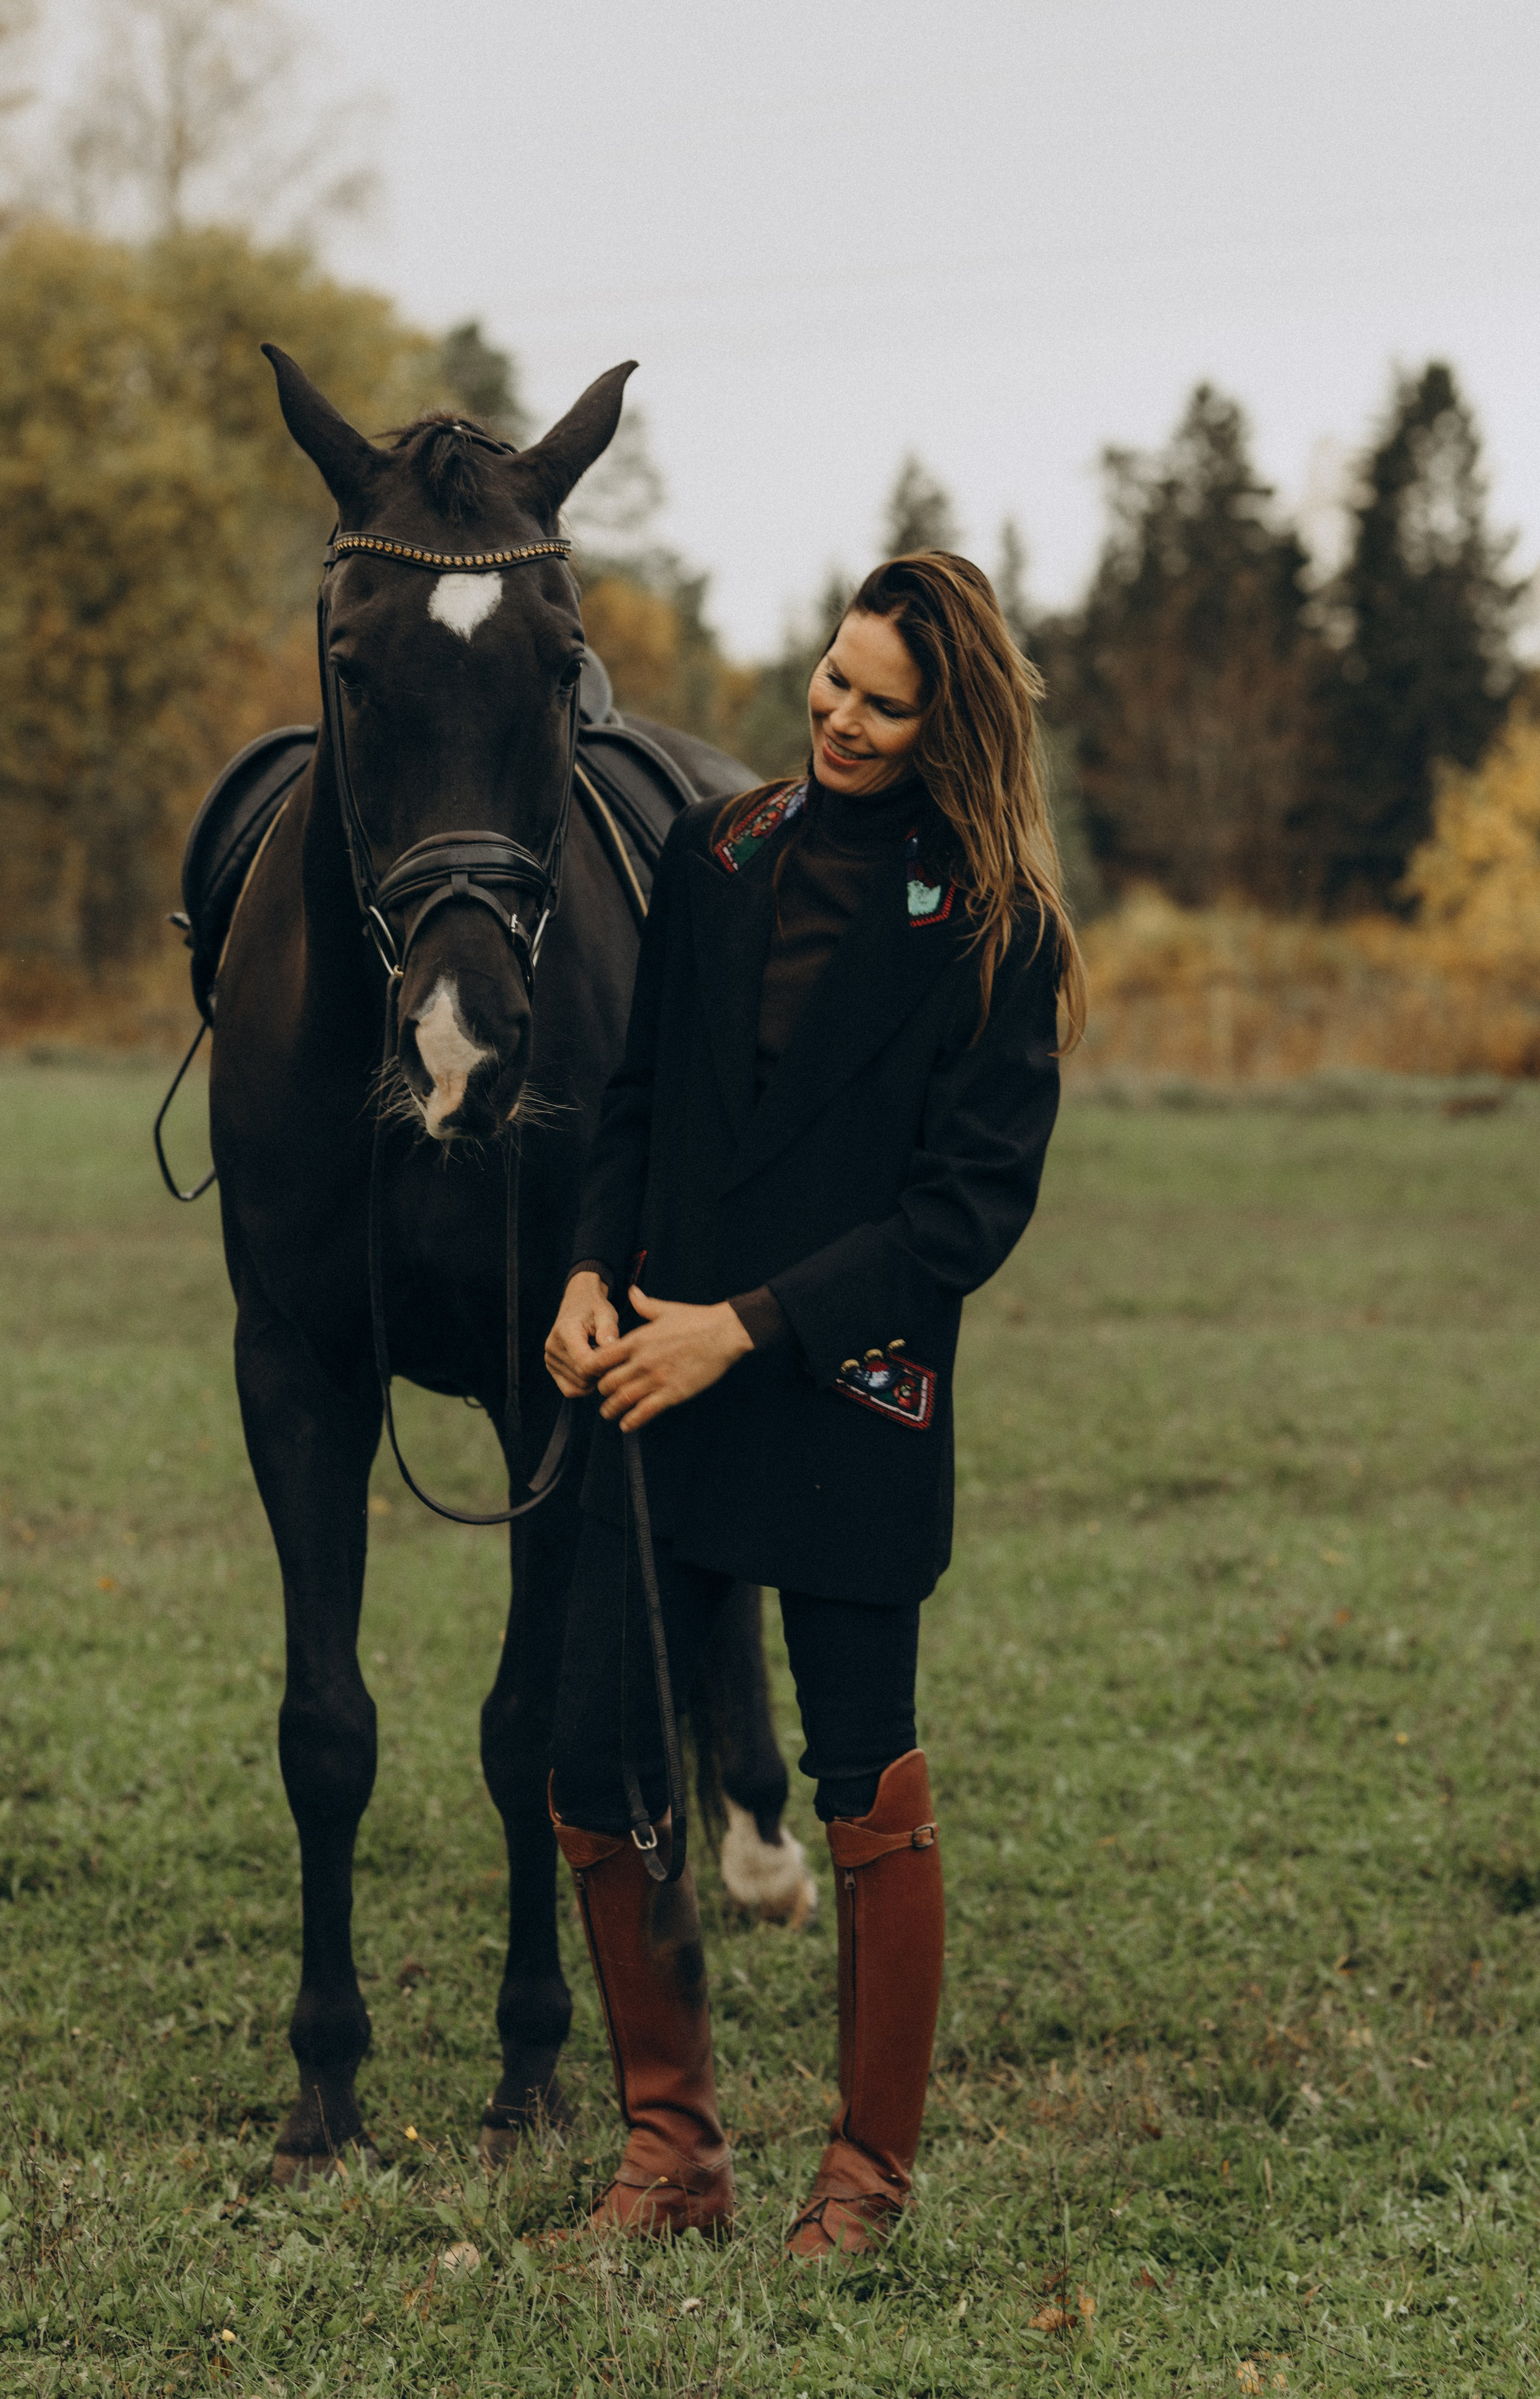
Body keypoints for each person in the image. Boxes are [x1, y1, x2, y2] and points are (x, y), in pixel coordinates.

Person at [542, 551, 1086, 2256]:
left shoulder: (999, 931)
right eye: (832, 681)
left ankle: (864, 2184)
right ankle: (670, 2164)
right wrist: (587, 1274)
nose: (839, 719)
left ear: (954, 725)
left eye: (883, 703)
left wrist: (743, 1329)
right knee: (595, 1756)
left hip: (850, 1395)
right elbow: (631, 1103)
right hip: (661, 1382)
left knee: (865, 1787)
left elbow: (962, 1217)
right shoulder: (716, 855)